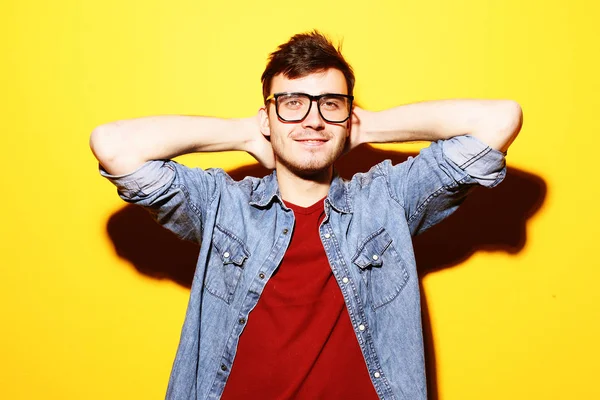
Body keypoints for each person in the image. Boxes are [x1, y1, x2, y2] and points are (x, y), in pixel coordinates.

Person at [90, 31, 522, 399]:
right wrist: (244, 133)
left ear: (347, 115)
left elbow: (500, 120)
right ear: (267, 116)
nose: (313, 120)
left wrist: (365, 127)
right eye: (293, 102)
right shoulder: (223, 205)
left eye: (329, 104)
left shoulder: (387, 199)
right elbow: (113, 145)